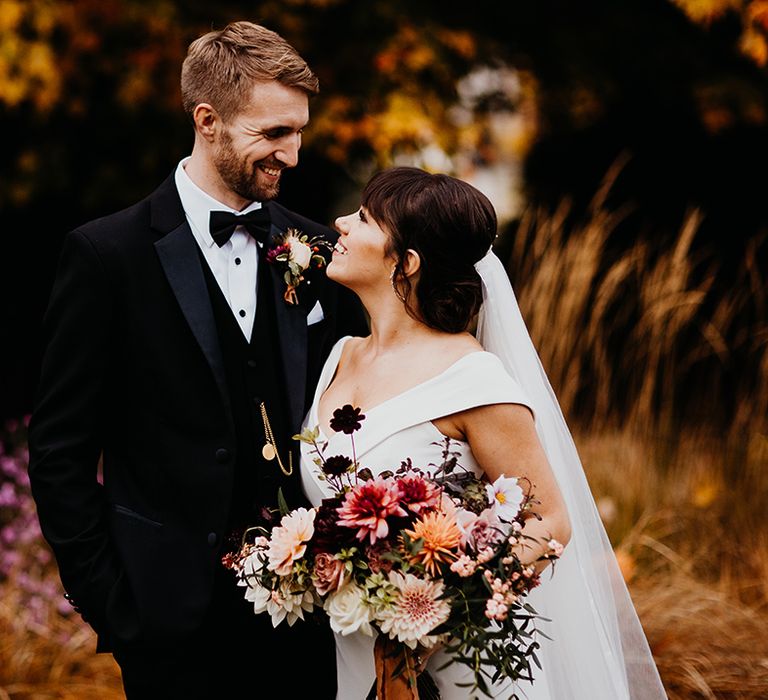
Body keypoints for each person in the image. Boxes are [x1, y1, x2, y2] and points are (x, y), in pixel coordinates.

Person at [28, 21, 367, 698]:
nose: (293, 155)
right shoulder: (107, 256)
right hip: (170, 624)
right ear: (207, 120)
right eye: (273, 134)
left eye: (298, 131)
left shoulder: (320, 248)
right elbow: (59, 449)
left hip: (312, 620)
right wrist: (114, 604)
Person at [299, 167, 667, 699]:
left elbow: (550, 522)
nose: (340, 223)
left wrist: (440, 609)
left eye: (361, 219)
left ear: (405, 263)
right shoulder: (339, 356)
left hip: (460, 669)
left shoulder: (473, 379)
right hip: (355, 658)